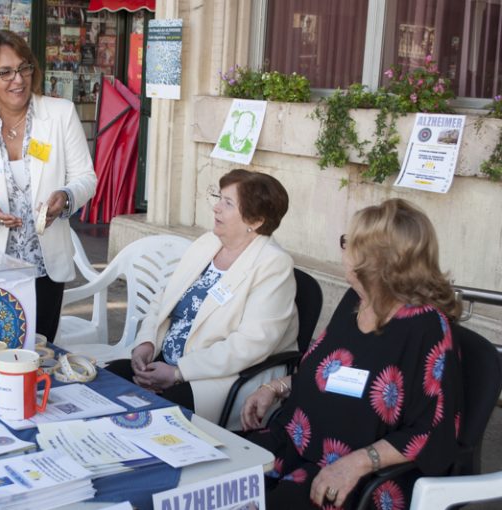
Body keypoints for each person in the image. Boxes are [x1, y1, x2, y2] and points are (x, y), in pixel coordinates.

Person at [240, 198, 463, 509]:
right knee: (218, 478)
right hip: (294, 443)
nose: (342, 250)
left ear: (376, 259)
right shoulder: (354, 302)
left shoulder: (426, 328)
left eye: (348, 242)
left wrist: (358, 463)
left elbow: (431, 431)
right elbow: (319, 373)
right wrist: (273, 388)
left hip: (358, 478)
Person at [0, 30, 97, 343]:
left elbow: (86, 177)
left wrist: (65, 198)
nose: (18, 80)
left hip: (44, 269)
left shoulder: (60, 114)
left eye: (23, 68)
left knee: (37, 357)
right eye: (5, 72)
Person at [106, 169, 299, 424]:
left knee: (155, 416)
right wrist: (147, 343)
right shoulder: (208, 242)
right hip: (164, 361)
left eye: (227, 203)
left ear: (256, 220)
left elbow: (249, 345)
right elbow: (163, 299)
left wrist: (178, 372)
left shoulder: (273, 264)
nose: (216, 208)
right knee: (104, 382)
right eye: (219, 198)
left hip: (215, 378)